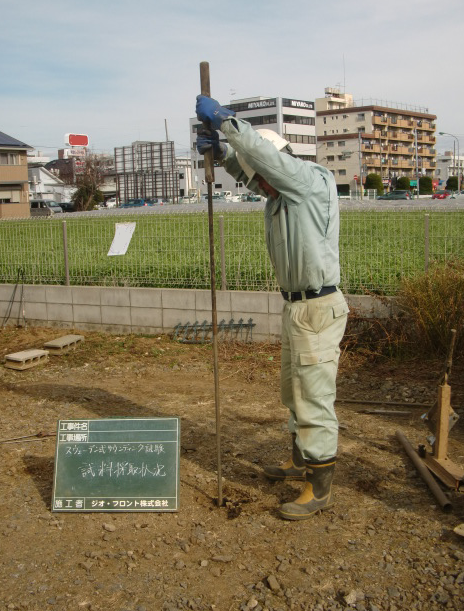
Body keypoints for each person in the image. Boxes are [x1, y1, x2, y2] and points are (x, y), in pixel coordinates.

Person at [196, 95, 349, 521]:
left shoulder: (309, 180)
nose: (258, 187)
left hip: (318, 309)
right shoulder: (280, 195)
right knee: (292, 392)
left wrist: (228, 124)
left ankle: (319, 488)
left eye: (262, 179)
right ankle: (300, 460)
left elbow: (265, 161)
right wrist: (223, 154)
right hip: (296, 309)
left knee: (313, 396)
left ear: (277, 163)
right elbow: (253, 169)